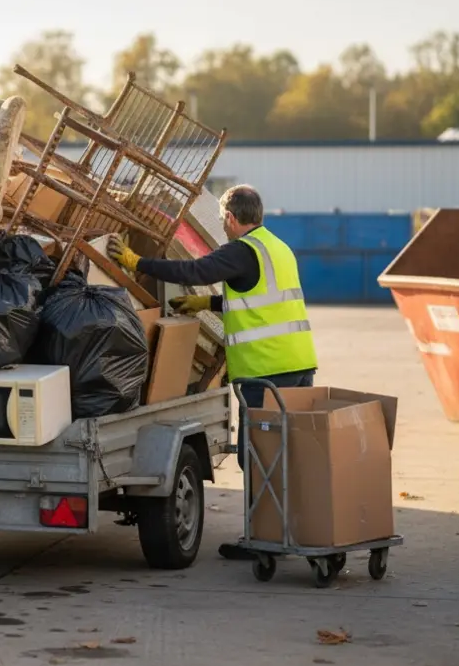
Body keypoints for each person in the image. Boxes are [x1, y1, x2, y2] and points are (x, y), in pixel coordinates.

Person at [107, 184, 317, 561]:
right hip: (299, 365)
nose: (223, 225)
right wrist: (211, 303)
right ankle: (290, 531)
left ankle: (262, 540)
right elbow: (260, 301)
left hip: (266, 372)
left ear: (232, 219)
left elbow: (194, 268)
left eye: (223, 219)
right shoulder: (277, 247)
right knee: (288, 455)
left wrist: (135, 262)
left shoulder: (241, 250)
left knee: (258, 458)